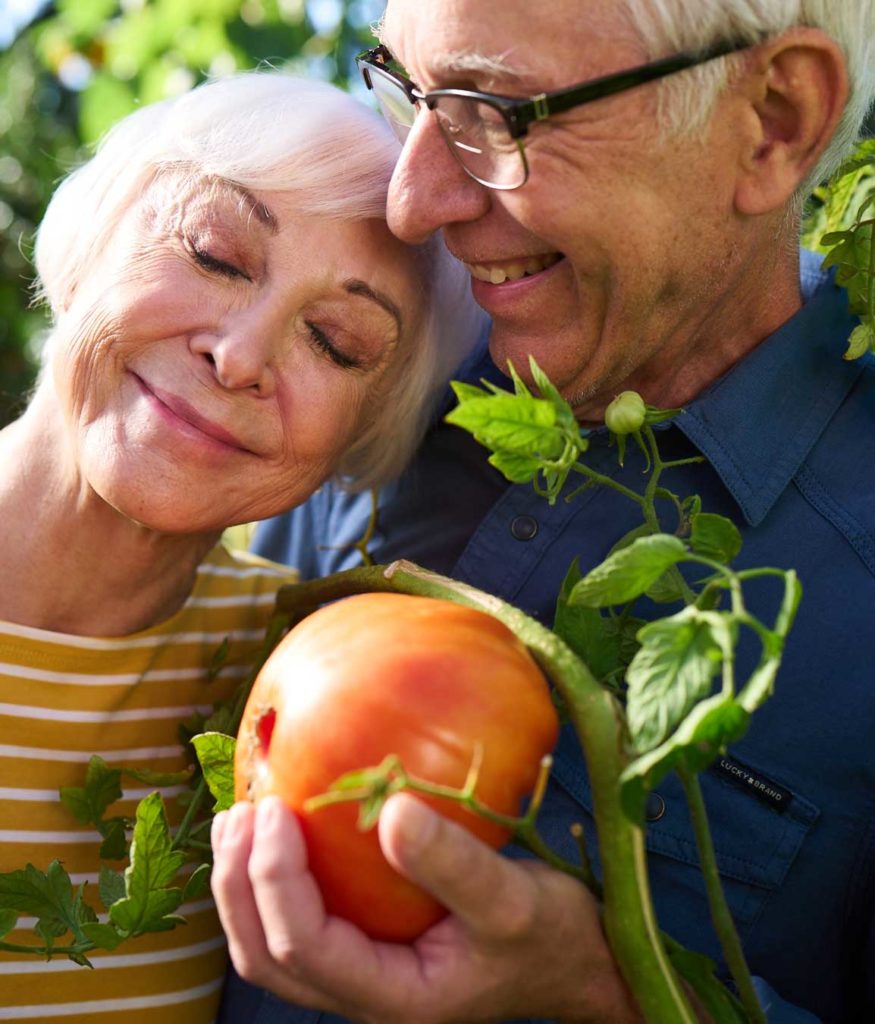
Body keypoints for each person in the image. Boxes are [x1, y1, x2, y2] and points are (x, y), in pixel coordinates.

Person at [210, 2, 875, 1023]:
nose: (410, 202)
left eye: (492, 109)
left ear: (772, 120)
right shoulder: (366, 350)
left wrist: (602, 995)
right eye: (408, 91)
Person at [0, 69, 480, 1024]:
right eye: (216, 253)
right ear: (96, 235)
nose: (242, 355)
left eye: (336, 343)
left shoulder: (295, 681)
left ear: (364, 433)